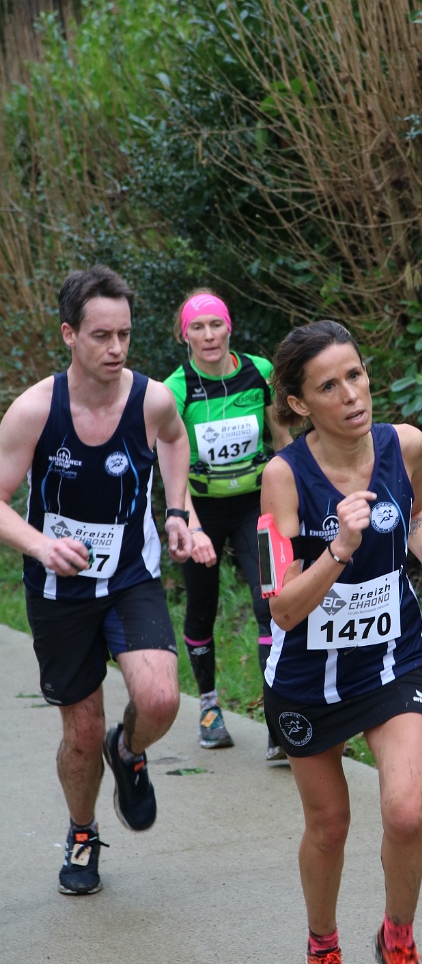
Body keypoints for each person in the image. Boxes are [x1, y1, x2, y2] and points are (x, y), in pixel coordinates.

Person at [261, 320, 422, 964]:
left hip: (392, 660)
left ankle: (398, 944)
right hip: (307, 678)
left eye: (355, 375)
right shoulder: (283, 477)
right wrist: (339, 549)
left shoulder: (404, 444)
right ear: (298, 403)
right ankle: (323, 949)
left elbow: (416, 515)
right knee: (329, 827)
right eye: (328, 386)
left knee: (406, 813)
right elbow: (282, 607)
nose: (351, 394)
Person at [0, 265, 193, 896]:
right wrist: (40, 545)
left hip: (130, 576)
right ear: (69, 335)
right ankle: (82, 833)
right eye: (101, 336)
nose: (116, 349)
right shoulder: (35, 410)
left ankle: (128, 750)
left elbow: (175, 440)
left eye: (125, 335)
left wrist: (177, 511)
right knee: (80, 735)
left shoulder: (151, 400)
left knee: (160, 700)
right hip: (59, 590)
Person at [164, 291, 292, 757]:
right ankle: (209, 708)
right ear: (185, 336)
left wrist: (291, 502)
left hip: (255, 505)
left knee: (271, 603)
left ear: (229, 327)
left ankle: (278, 719)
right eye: (197, 327)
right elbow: (172, 469)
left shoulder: (259, 372)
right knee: (202, 606)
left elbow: (283, 441)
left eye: (215, 324)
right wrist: (192, 528)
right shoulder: (175, 390)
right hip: (200, 508)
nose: (208, 335)